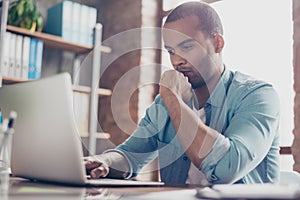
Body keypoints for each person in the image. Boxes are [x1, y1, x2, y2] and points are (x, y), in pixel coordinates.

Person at [85, 1, 280, 185]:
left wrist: (172, 99)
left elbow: (226, 169)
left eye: (187, 47)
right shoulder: (165, 103)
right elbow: (131, 155)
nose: (177, 61)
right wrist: (103, 161)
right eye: (170, 51)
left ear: (218, 44)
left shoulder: (257, 96)